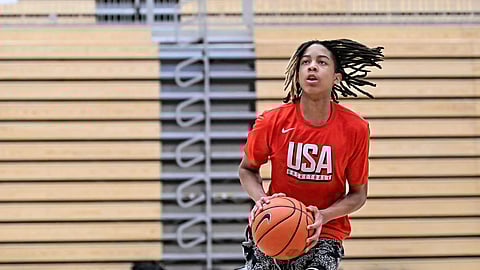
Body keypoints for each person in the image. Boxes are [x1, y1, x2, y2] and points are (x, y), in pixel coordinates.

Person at [237, 39, 384, 270]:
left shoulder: (355, 128)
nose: (312, 66)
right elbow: (247, 169)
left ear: (337, 77)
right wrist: (262, 200)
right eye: (305, 62)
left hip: (325, 232)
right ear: (297, 74)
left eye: (321, 62)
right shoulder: (271, 122)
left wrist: (324, 215)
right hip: (273, 224)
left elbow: (357, 195)